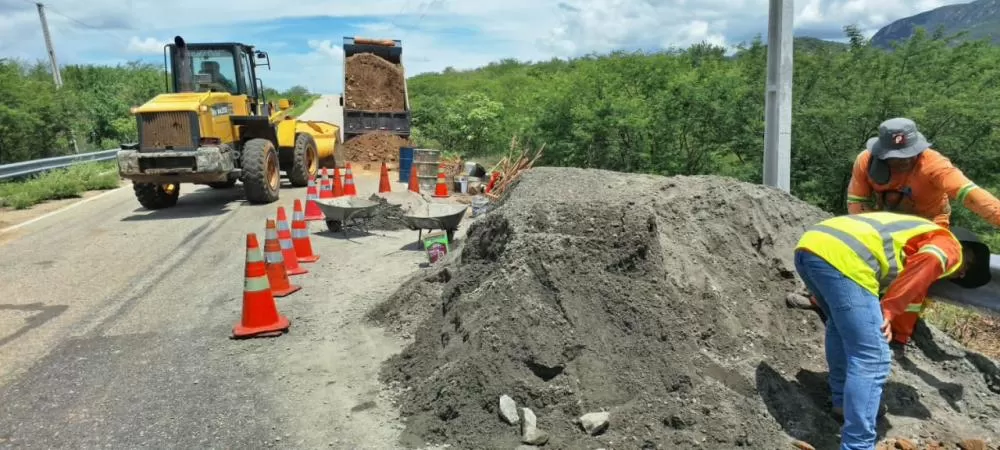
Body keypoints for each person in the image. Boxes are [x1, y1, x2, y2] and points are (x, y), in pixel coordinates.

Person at [794, 211, 990, 450]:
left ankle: (842, 403)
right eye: (964, 269)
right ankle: (858, 445)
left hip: (811, 246)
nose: (958, 273)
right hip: (845, 258)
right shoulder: (950, 246)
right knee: (873, 357)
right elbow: (930, 259)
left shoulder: (919, 231)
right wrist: (890, 308)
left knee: (838, 326)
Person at [837, 117, 1000, 348]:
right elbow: (857, 202)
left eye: (907, 157)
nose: (902, 163)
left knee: (920, 271)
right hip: (887, 223)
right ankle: (833, 301)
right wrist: (868, 231)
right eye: (895, 159)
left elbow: (973, 196)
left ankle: (899, 335)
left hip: (930, 224)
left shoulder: (934, 165)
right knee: (859, 257)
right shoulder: (865, 162)